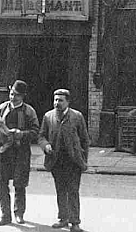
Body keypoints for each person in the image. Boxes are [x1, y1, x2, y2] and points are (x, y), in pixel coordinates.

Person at [0, 80, 39, 226]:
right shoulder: (2, 108)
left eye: (16, 95)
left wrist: (21, 134)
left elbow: (36, 132)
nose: (12, 97)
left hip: (20, 152)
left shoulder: (29, 111)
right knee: (1, 183)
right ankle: (5, 215)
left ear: (22, 96)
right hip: (3, 151)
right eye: (11, 94)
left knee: (19, 183)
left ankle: (19, 214)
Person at [38, 88, 89, 232]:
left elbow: (85, 139)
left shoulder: (77, 116)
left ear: (68, 102)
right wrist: (45, 145)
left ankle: (75, 222)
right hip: (56, 160)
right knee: (60, 190)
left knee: (73, 191)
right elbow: (41, 136)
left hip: (73, 161)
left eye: (60, 100)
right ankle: (63, 218)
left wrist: (84, 159)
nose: (57, 103)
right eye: (55, 100)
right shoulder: (48, 117)